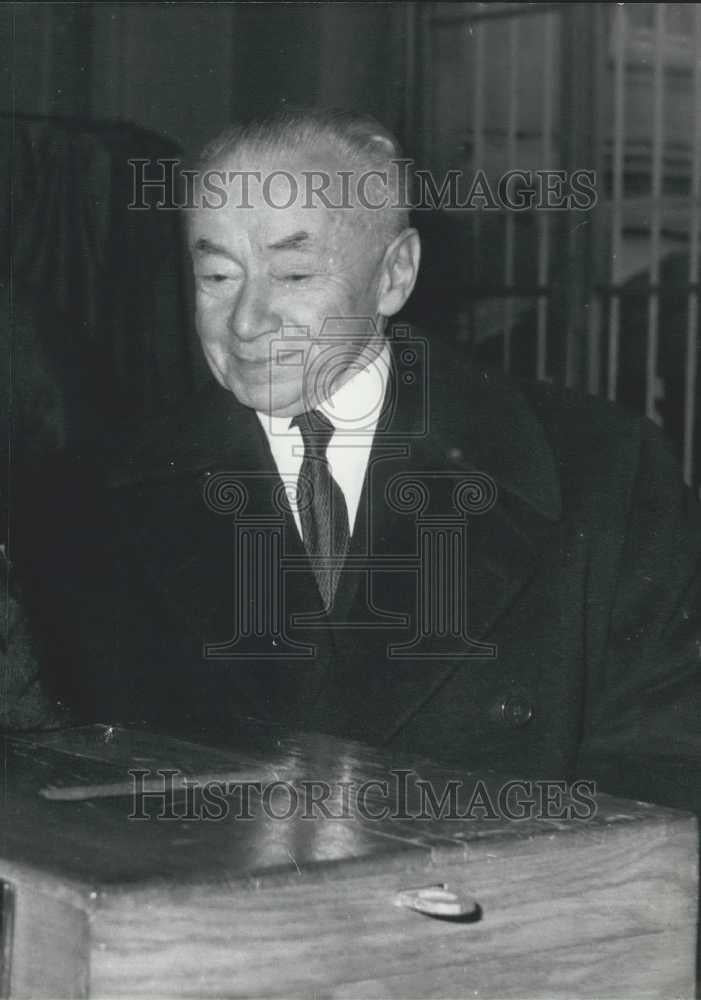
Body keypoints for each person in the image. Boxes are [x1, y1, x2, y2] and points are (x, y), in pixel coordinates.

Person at [50, 108, 700, 825]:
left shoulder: (601, 469)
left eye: (293, 273)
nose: (245, 321)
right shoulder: (88, 500)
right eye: (216, 275)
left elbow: (661, 778)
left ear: (394, 274)